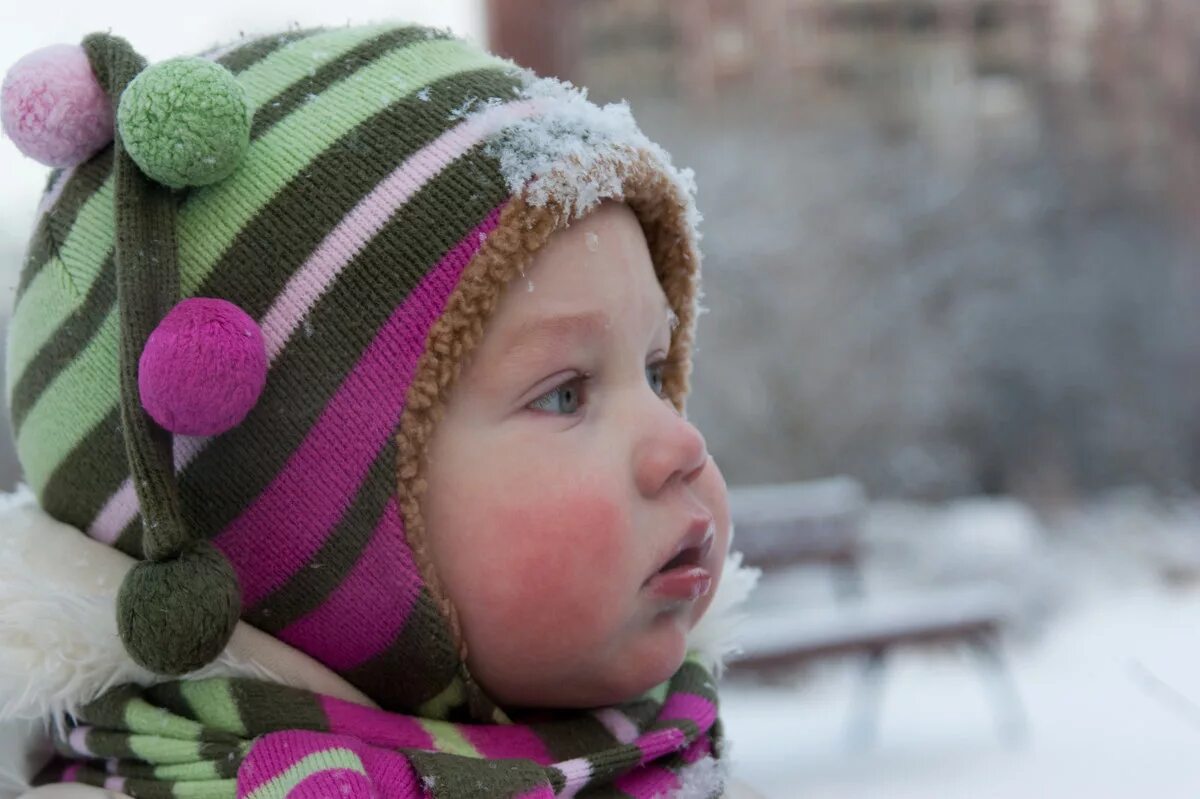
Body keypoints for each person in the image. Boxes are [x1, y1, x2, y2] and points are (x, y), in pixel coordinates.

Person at [0, 21, 762, 798]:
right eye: (564, 393)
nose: (681, 444)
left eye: (656, 369)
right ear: (300, 530)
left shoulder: (672, 752)